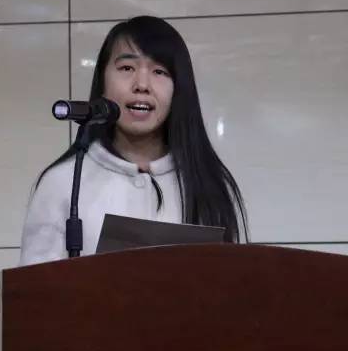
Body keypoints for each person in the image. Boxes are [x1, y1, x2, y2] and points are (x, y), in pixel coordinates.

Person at [19, 15, 247, 266]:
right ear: (103, 80)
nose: (142, 85)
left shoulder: (207, 182)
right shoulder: (63, 182)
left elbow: (230, 280)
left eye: (159, 71)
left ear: (178, 89)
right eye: (127, 68)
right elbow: (35, 287)